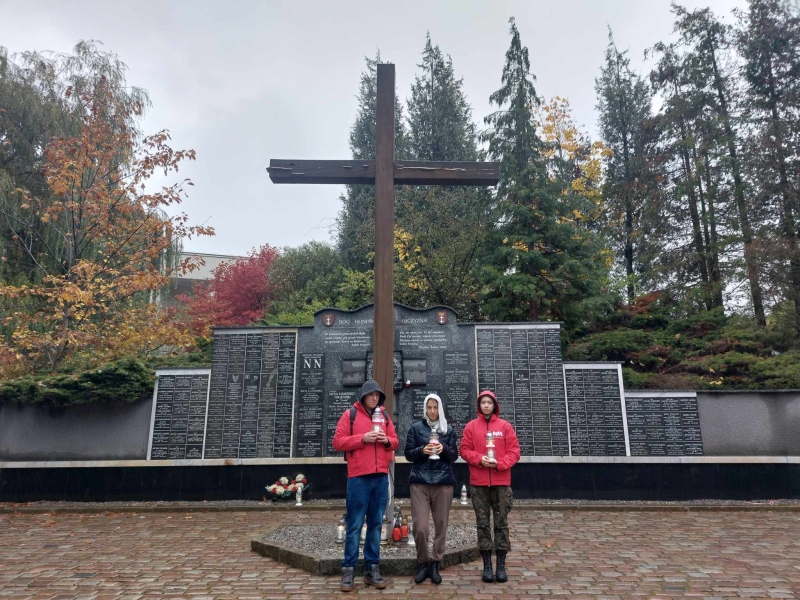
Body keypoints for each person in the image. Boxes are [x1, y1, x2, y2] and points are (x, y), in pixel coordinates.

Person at [332, 379, 399, 593]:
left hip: (380, 478)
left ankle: (372, 569)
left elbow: (396, 441)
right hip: (359, 478)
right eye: (371, 394)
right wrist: (363, 438)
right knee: (353, 526)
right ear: (363, 396)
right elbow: (338, 442)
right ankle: (349, 570)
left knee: (376, 525)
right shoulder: (349, 415)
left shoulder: (385, 417)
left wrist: (386, 441)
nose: (374, 398)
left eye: (377, 395)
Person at [459, 389, 520, 584]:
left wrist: (500, 463)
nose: (486, 405)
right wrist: (479, 460)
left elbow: (514, 451)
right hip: (479, 483)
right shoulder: (471, 427)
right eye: (483, 402)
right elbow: (464, 450)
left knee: (501, 524)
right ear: (479, 405)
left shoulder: (505, 427)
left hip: (501, 483)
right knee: (483, 524)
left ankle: (501, 566)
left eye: (489, 402)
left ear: (494, 405)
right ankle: (486, 565)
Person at [404, 393, 458, 585]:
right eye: (429, 407)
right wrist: (422, 451)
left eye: (435, 407)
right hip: (420, 483)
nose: (432, 411)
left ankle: (435, 562)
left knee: (441, 525)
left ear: (440, 409)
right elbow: (408, 454)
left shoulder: (448, 430)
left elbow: (454, 456)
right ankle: (422, 562)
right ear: (425, 408)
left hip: (443, 483)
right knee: (420, 527)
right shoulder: (416, 428)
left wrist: (442, 448)